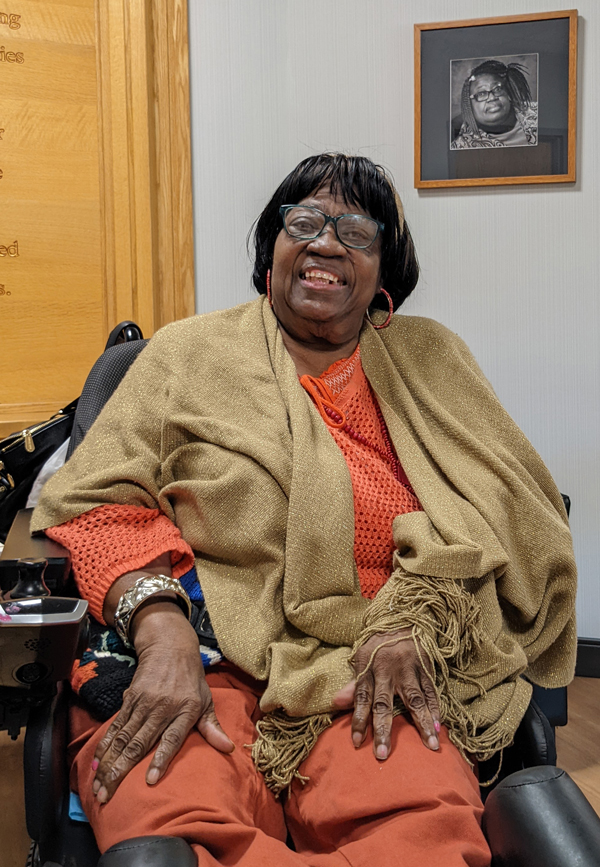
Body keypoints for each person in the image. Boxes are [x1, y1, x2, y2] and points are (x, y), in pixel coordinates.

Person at [32, 153, 576, 867]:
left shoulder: (434, 358)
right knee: (167, 824)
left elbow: (507, 515)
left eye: (356, 230)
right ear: (273, 249)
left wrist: (421, 619)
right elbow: (95, 499)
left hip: (375, 664)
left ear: (386, 271)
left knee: (427, 831)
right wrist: (160, 628)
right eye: (305, 222)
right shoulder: (185, 355)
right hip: (206, 655)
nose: (325, 242)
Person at [451, 59, 538, 149]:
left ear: (508, 93)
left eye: (497, 89)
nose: (492, 98)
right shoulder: (462, 146)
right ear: (469, 105)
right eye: (481, 93)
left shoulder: (536, 114)